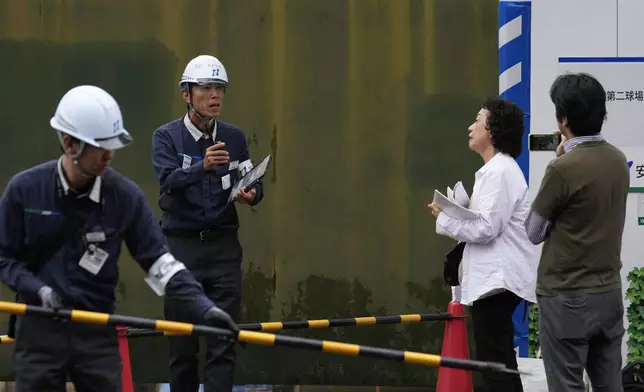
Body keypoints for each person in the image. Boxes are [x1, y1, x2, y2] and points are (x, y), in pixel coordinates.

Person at [0, 85, 237, 392]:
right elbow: (4, 258)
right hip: (39, 332)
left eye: (113, 145)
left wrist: (204, 309)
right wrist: (40, 290)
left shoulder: (124, 197)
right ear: (71, 144)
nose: (110, 155)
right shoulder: (25, 190)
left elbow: (159, 263)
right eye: (102, 147)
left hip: (97, 334)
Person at [152, 54, 264, 392]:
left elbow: (253, 181)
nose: (214, 96)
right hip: (180, 248)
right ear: (186, 93)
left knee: (222, 342)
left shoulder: (234, 137)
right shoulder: (166, 137)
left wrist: (252, 194)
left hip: (223, 248)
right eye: (205, 88)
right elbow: (167, 181)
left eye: (219, 88)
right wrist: (201, 166)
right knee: (182, 345)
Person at [525, 72, 629, 392]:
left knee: (567, 386)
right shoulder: (617, 159)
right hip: (608, 292)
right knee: (610, 385)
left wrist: (562, 158)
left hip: (566, 295)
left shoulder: (562, 168)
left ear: (563, 119)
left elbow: (534, 230)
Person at [428, 98, 538, 392]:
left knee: (495, 364)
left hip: (496, 281)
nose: (471, 127)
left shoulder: (499, 171)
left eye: (477, 119)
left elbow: (487, 228)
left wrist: (445, 218)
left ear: (492, 129)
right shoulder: (498, 170)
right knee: (497, 361)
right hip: (495, 280)